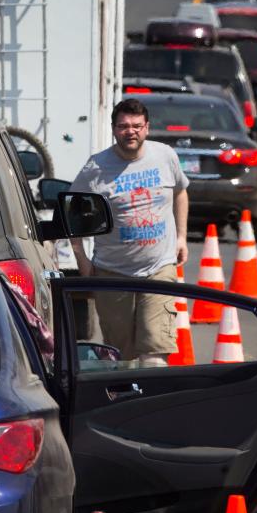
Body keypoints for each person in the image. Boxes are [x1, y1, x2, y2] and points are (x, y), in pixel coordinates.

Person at [69, 98, 189, 367]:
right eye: (123, 126)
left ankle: (154, 406)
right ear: (114, 129)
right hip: (113, 271)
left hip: (159, 267)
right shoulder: (95, 169)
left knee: (154, 353)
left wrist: (181, 237)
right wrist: (81, 258)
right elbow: (72, 211)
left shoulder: (165, 156)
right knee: (120, 357)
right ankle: (126, 404)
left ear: (146, 128)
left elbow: (180, 192)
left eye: (136, 125)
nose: (130, 131)